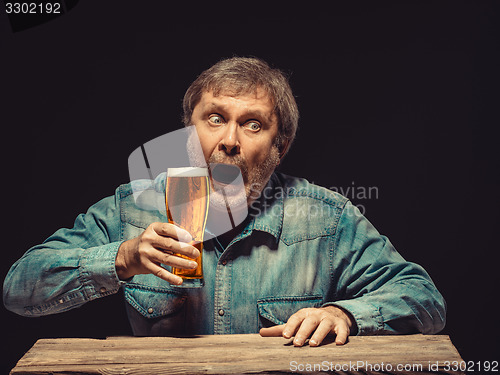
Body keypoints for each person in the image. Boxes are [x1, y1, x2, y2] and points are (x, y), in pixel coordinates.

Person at [3, 57, 446, 347]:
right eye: (214, 119)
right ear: (187, 132)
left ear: (282, 145)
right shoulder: (134, 207)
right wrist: (120, 258)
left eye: (253, 125)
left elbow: (424, 298)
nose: (229, 141)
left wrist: (344, 314)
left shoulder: (326, 219)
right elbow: (19, 289)